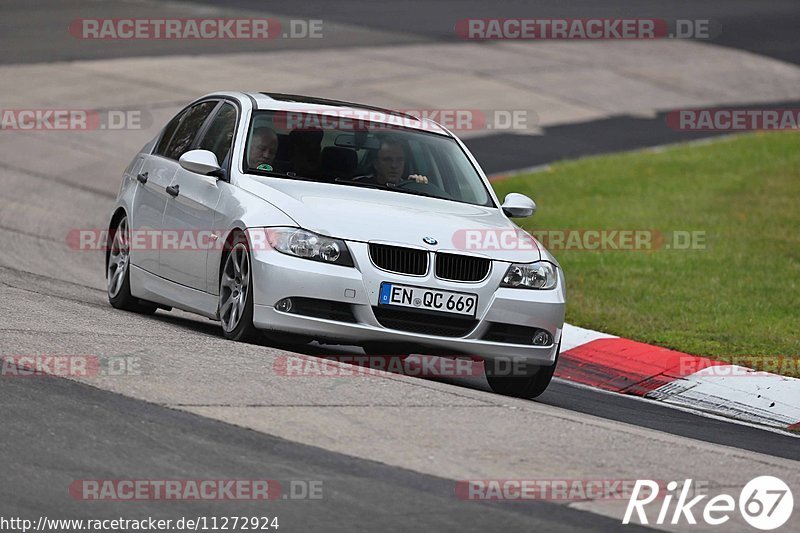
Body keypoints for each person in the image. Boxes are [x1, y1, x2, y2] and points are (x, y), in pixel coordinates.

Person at [357, 136, 428, 185]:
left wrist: (419, 186)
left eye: (399, 160)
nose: (394, 165)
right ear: (376, 164)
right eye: (388, 160)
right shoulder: (359, 184)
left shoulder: (411, 187)